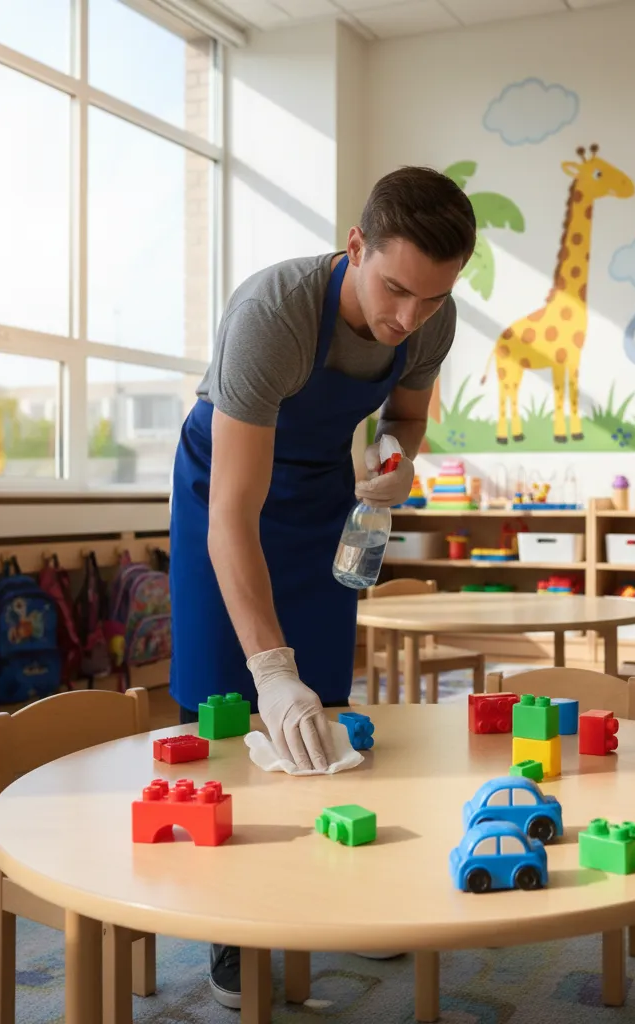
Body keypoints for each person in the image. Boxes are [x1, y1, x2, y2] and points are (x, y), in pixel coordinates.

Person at [167, 166, 476, 1008]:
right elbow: (232, 514)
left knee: (326, 701)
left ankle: (324, 898)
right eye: (395, 289)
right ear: (355, 247)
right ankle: (236, 929)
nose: (408, 317)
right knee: (231, 701)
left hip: (320, 494)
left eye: (433, 299)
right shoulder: (274, 313)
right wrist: (268, 664)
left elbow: (406, 418)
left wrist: (397, 463)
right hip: (223, 485)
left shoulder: (428, 320)